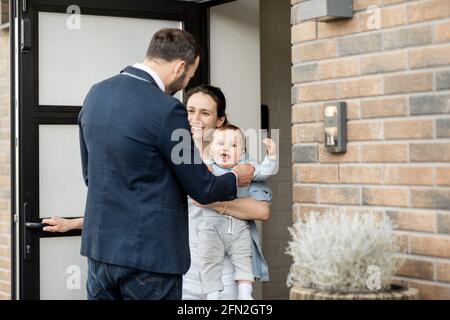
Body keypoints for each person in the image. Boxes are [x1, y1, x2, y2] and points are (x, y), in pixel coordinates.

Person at [43, 85, 271, 300]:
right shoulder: (172, 158)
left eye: (205, 113)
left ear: (219, 120)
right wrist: (72, 224)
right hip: (182, 268)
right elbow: (136, 207)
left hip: (225, 270)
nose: (195, 119)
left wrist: (208, 197)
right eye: (190, 111)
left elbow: (261, 210)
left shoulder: (238, 160)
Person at [77, 28, 254, 300]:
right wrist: (236, 178)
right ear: (181, 67)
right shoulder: (168, 110)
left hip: (100, 253)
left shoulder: (96, 94)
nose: (186, 82)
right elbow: (202, 188)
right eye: (190, 75)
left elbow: (91, 175)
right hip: (150, 259)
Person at [197, 124, 278, 300]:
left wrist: (271, 156)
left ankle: (245, 292)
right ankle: (211, 294)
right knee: (209, 259)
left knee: (243, 257)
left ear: (241, 154)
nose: (226, 148)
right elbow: (197, 192)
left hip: (238, 227)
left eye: (233, 146)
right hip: (211, 226)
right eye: (220, 144)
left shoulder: (246, 169)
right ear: (211, 150)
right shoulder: (208, 168)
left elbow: (265, 172)